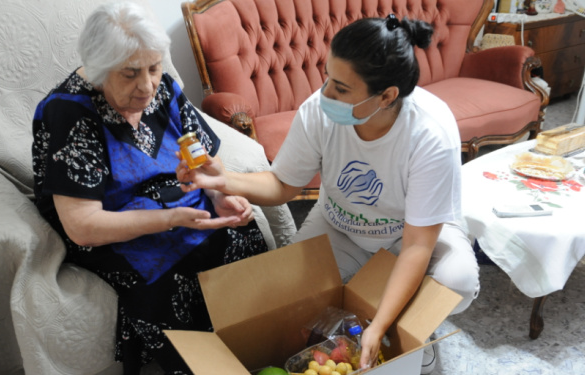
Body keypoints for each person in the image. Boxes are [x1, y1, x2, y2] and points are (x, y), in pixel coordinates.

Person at [178, 15, 479, 374]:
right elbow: (282, 185)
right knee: (286, 297)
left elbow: (417, 246)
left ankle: (413, 332)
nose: (324, 94)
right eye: (326, 77)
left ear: (386, 96)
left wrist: (380, 327)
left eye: (341, 88)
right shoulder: (318, 113)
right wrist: (223, 179)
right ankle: (373, 304)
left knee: (456, 282)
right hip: (341, 224)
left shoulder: (429, 134)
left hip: (411, 234)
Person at [31, 2, 268, 373]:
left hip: (185, 207)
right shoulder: (68, 113)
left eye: (154, 68)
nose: (146, 86)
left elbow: (203, 157)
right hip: (121, 228)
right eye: (129, 74)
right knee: (172, 269)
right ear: (98, 70)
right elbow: (82, 226)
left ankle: (260, 349)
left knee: (242, 236)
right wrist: (170, 219)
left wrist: (221, 195)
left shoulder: (163, 88)